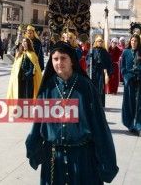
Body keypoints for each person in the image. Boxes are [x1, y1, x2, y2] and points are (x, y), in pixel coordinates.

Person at [26, 41, 119, 185]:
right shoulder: (47, 88)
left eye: (63, 58)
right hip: (53, 161)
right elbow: (38, 123)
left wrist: (107, 163)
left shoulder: (86, 87)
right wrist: (33, 148)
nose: (59, 63)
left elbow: (100, 126)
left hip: (82, 160)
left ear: (72, 61)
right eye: (55, 59)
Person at [121, 34, 141, 134]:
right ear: (130, 41)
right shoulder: (125, 52)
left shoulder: (140, 52)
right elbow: (123, 68)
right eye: (132, 40)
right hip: (129, 82)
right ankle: (130, 124)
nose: (134, 42)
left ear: (138, 42)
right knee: (129, 103)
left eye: (136, 41)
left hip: (139, 81)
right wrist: (126, 78)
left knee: (138, 104)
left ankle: (138, 125)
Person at [87, 35, 113, 106]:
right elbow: (88, 60)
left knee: (101, 88)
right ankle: (92, 102)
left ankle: (100, 103)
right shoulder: (92, 50)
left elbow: (108, 63)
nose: (100, 42)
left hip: (101, 72)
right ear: (96, 42)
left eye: (101, 41)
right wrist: (90, 60)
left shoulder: (105, 52)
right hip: (93, 71)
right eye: (99, 41)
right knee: (92, 86)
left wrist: (107, 74)